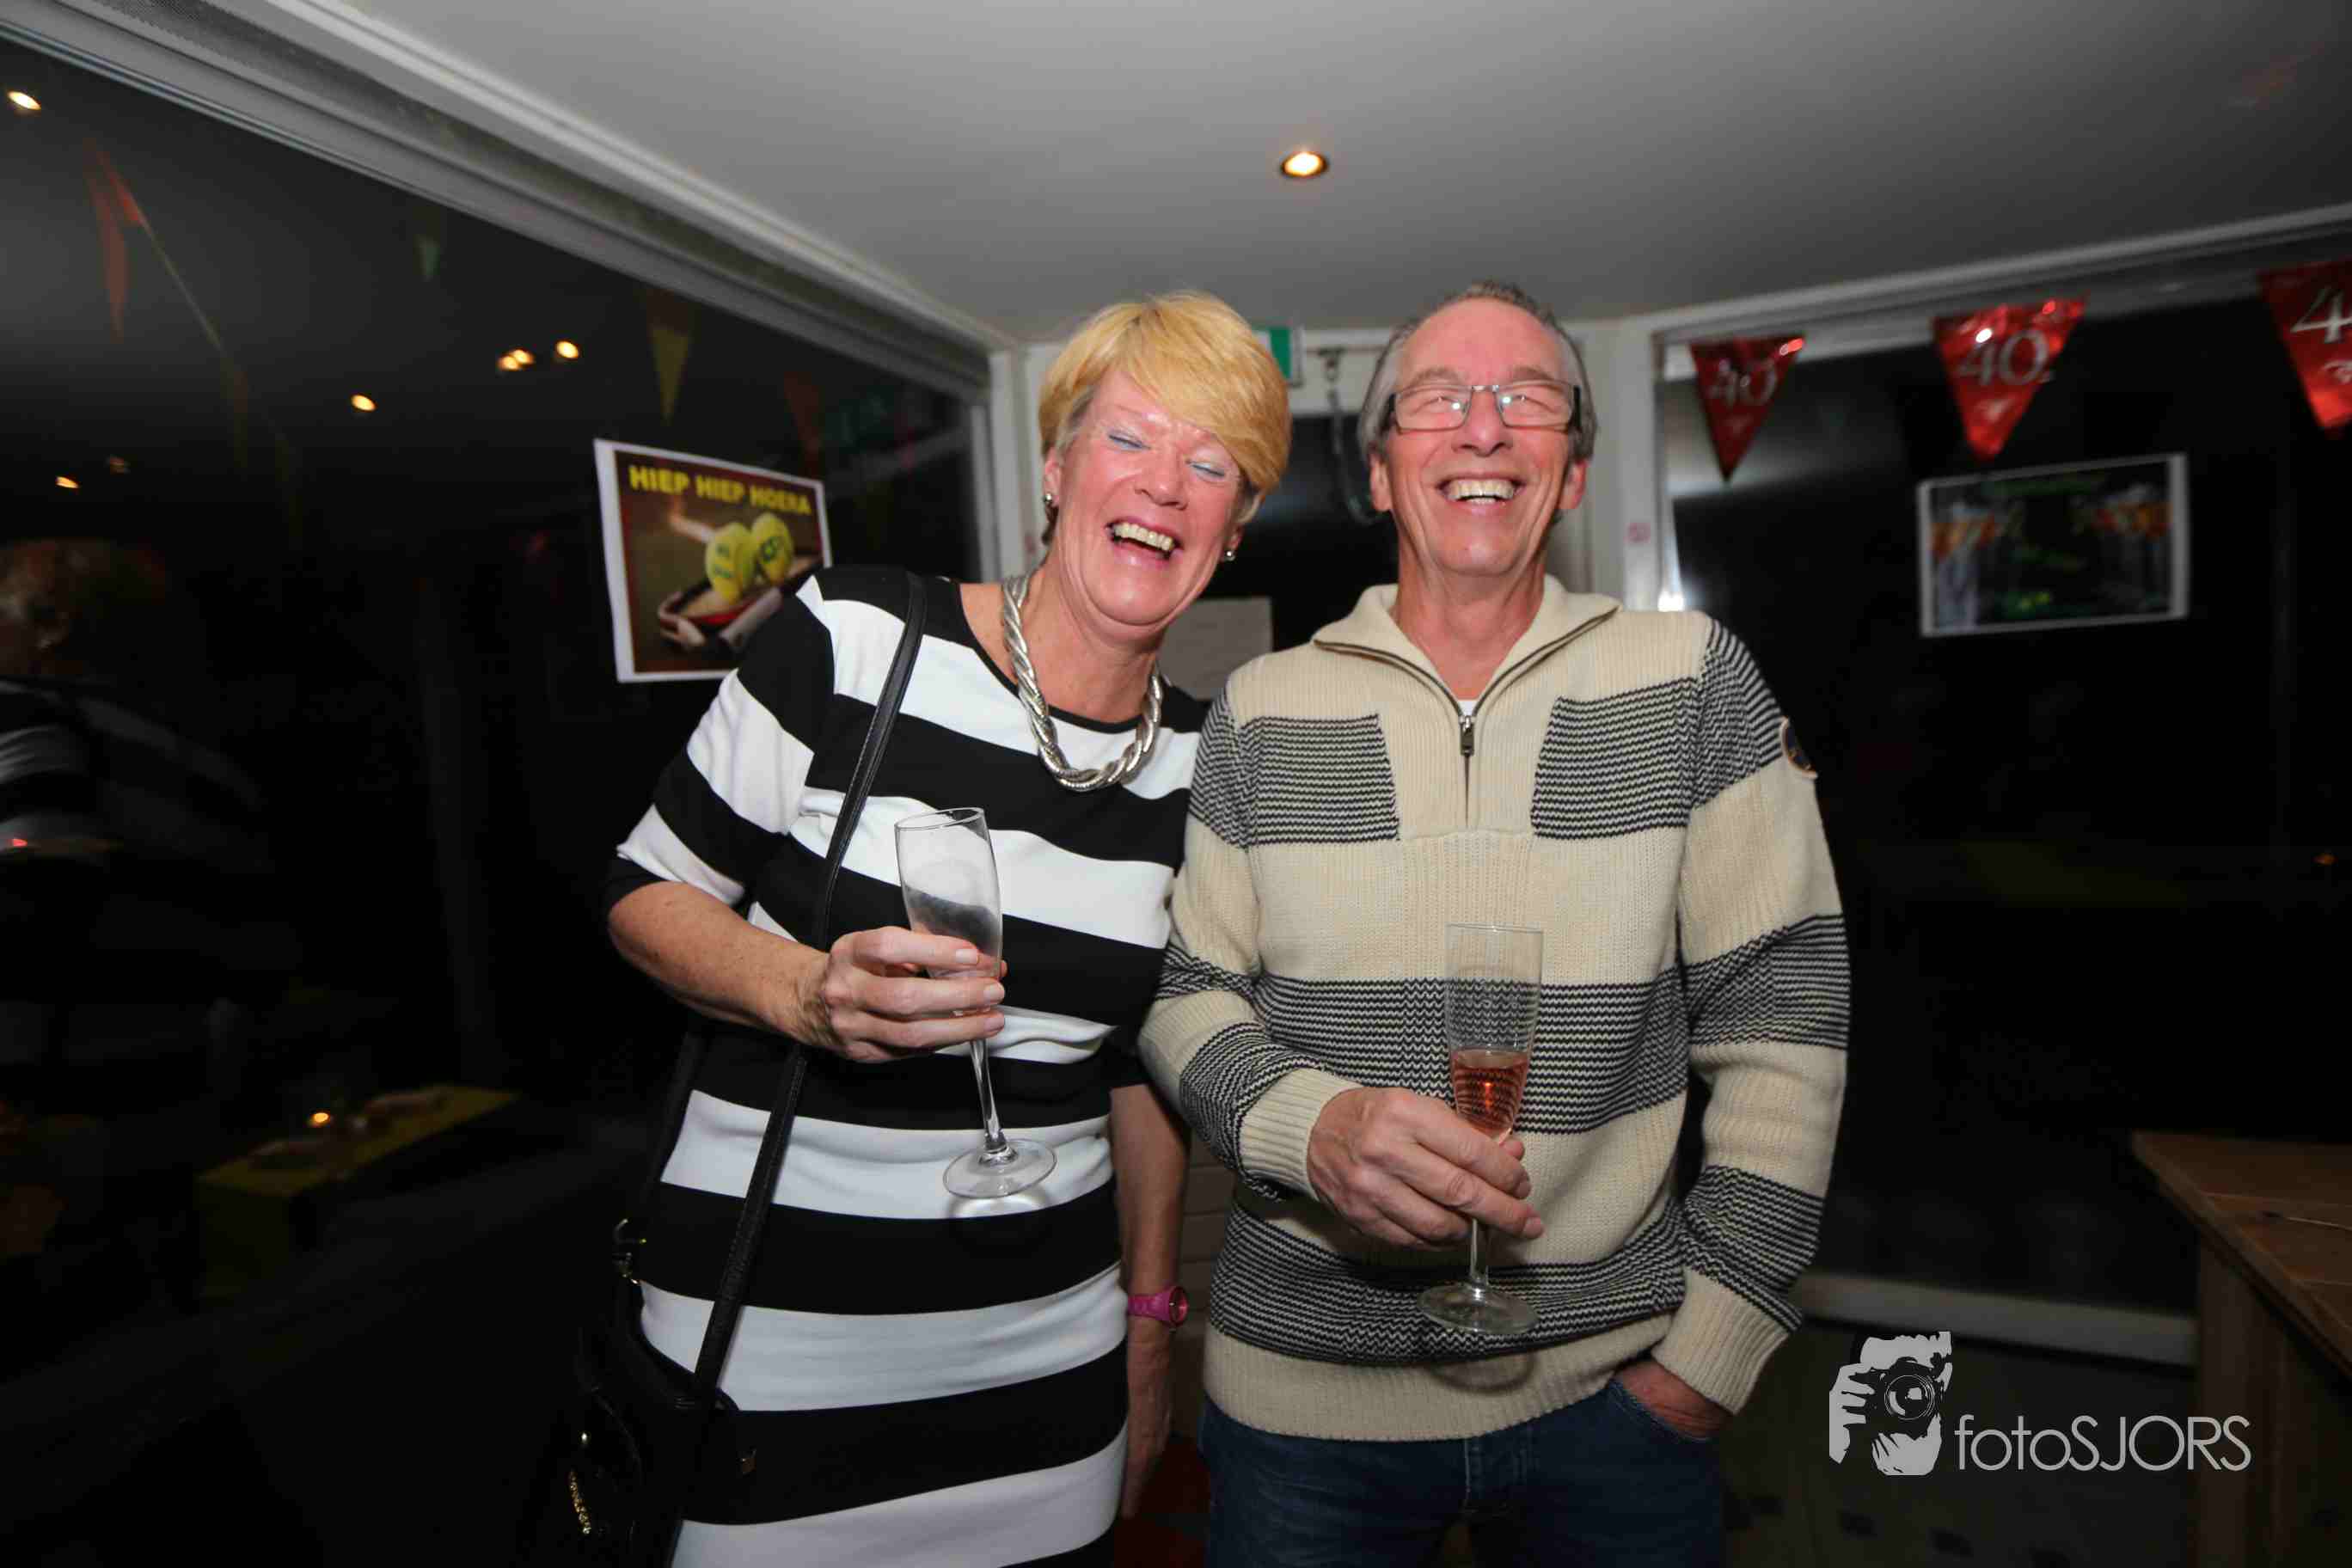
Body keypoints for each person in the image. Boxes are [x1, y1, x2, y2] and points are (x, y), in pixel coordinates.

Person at [1142, 280, 1848, 1565]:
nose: (1482, 427)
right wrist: (1310, 1130)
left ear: (1571, 472)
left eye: (1527, 398)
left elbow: (1784, 1020)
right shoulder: (1258, 707)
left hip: (1615, 1405)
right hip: (1302, 1413)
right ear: (1378, 471)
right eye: (1438, 399)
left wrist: (1709, 1356)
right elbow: (1187, 994)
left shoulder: (1693, 680)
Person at [602, 291, 1290, 1565]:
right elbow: (644, 893)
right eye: (1129, 438)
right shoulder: (861, 640)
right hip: (769, 1342)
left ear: (1234, 529)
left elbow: (1140, 1074)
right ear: (1056, 467)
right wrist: (802, 991)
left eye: (1212, 467)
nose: (1165, 486)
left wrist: (1150, 1326)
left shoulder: (1205, 765)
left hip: (1045, 1349)